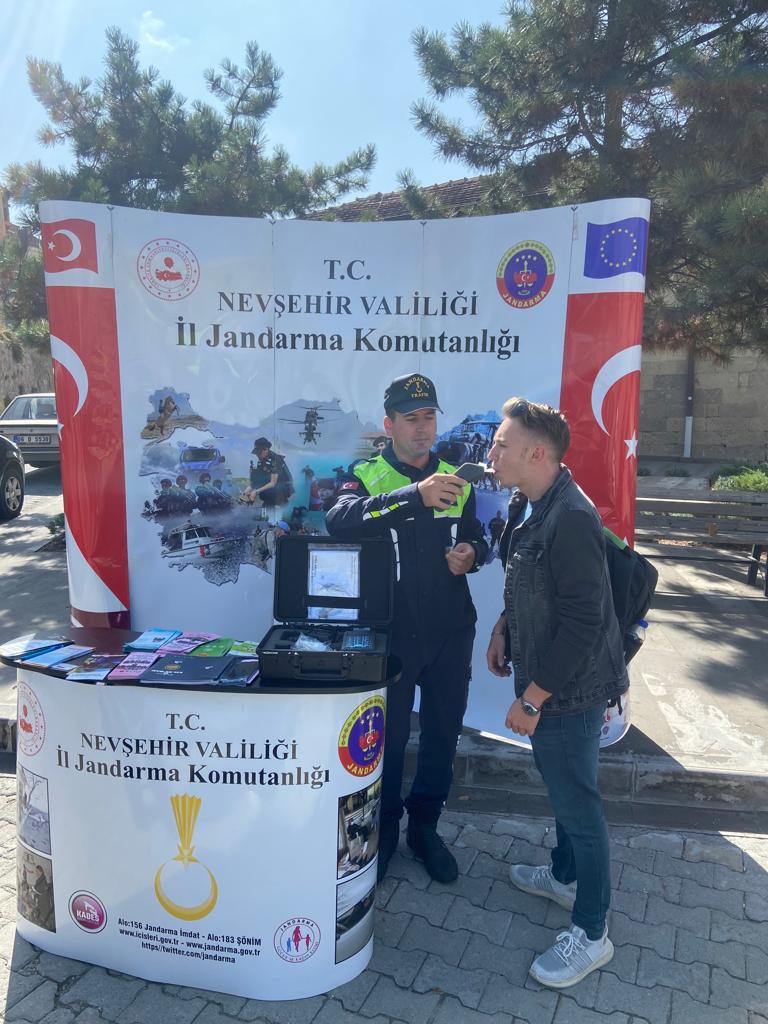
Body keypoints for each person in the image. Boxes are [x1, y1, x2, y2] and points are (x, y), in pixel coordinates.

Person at [485, 397, 628, 989]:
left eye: (502, 444)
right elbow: (528, 581)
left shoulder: (570, 517)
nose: (492, 453)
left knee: (579, 808)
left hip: (570, 691)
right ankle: (565, 878)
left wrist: (533, 698)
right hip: (550, 682)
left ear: (537, 453)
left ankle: (592, 934)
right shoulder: (530, 502)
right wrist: (504, 625)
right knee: (566, 792)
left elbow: (584, 622)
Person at [327, 373, 487, 883]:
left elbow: (479, 535)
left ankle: (425, 828)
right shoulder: (364, 474)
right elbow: (338, 520)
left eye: (429, 417)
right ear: (389, 423)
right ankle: (386, 833)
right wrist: (415, 495)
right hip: (391, 637)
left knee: (442, 736)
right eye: (410, 418)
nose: (422, 428)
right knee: (388, 742)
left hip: (450, 631)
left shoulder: (457, 476)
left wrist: (473, 553)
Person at [250, 438, 294, 507]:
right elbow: (259, 479)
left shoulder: (276, 460)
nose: (257, 455)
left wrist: (256, 492)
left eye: (259, 452)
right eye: (256, 453)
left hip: (282, 489)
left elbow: (273, 483)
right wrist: (248, 490)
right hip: (271, 491)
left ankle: (280, 507)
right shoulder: (261, 461)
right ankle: (268, 504)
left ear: (266, 449)